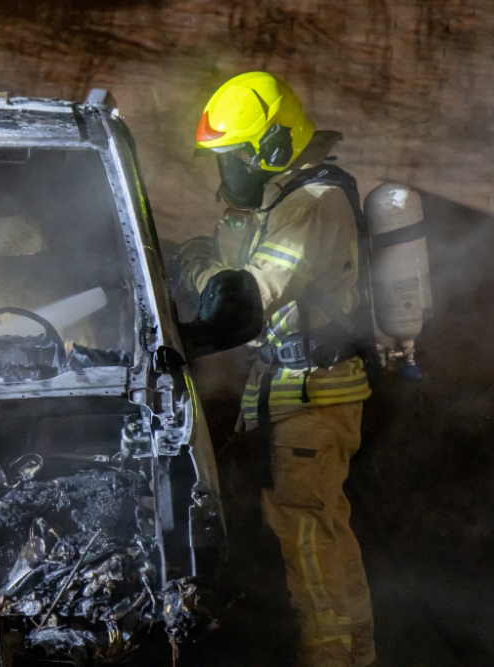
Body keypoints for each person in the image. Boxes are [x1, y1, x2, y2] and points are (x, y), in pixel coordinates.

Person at [178, 71, 376, 667]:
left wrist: (194, 273)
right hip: (303, 394)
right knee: (327, 530)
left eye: (232, 156)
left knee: (306, 537)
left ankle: (329, 658)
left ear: (270, 145)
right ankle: (359, 651)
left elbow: (241, 306)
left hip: (313, 400)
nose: (226, 172)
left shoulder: (313, 204)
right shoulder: (294, 199)